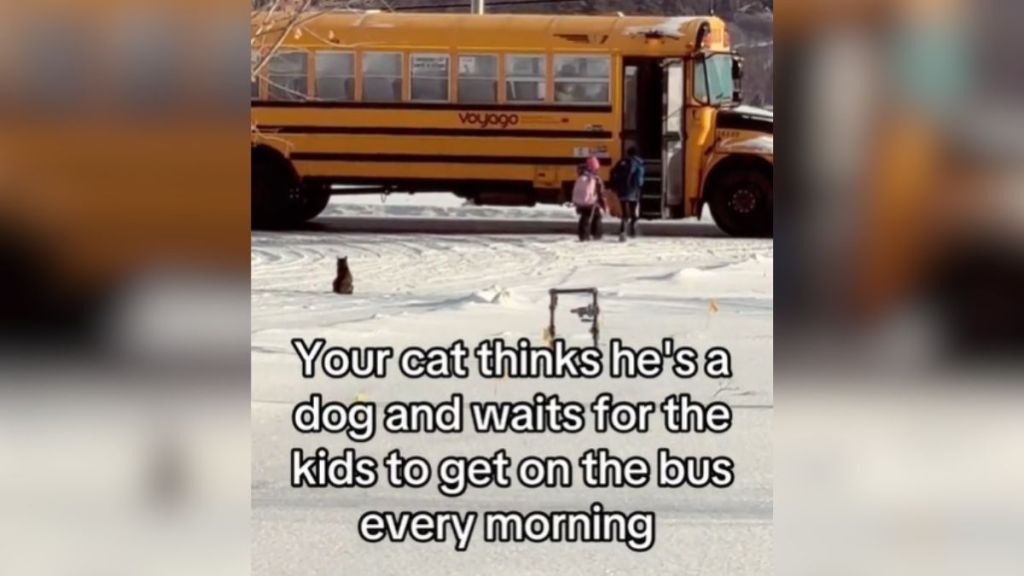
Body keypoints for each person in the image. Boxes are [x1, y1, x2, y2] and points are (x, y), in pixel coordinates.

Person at [610, 147, 645, 240]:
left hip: (622, 191)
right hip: (634, 190)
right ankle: (633, 232)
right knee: (633, 212)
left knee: (624, 214)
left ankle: (622, 232)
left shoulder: (622, 162)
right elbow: (640, 180)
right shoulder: (639, 163)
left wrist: (614, 187)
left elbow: (613, 172)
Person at [572, 156, 606, 241]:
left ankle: (583, 236)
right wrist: (603, 204)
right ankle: (596, 235)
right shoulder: (595, 178)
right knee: (597, 216)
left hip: (581, 201)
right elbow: (600, 192)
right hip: (591, 201)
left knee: (584, 217)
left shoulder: (581, 176)